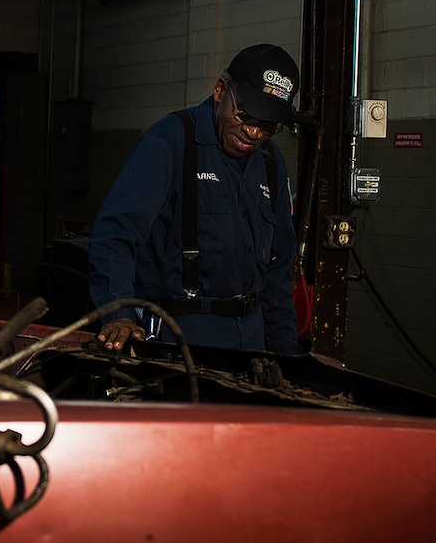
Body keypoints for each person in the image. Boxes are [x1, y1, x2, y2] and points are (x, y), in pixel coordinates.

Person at [87, 43, 300, 356]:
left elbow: (279, 268)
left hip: (253, 338)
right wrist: (119, 312)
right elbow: (115, 233)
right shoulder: (171, 141)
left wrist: (286, 354)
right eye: (245, 115)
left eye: (267, 126)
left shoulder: (270, 161)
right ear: (219, 90)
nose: (253, 132)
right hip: (182, 335)